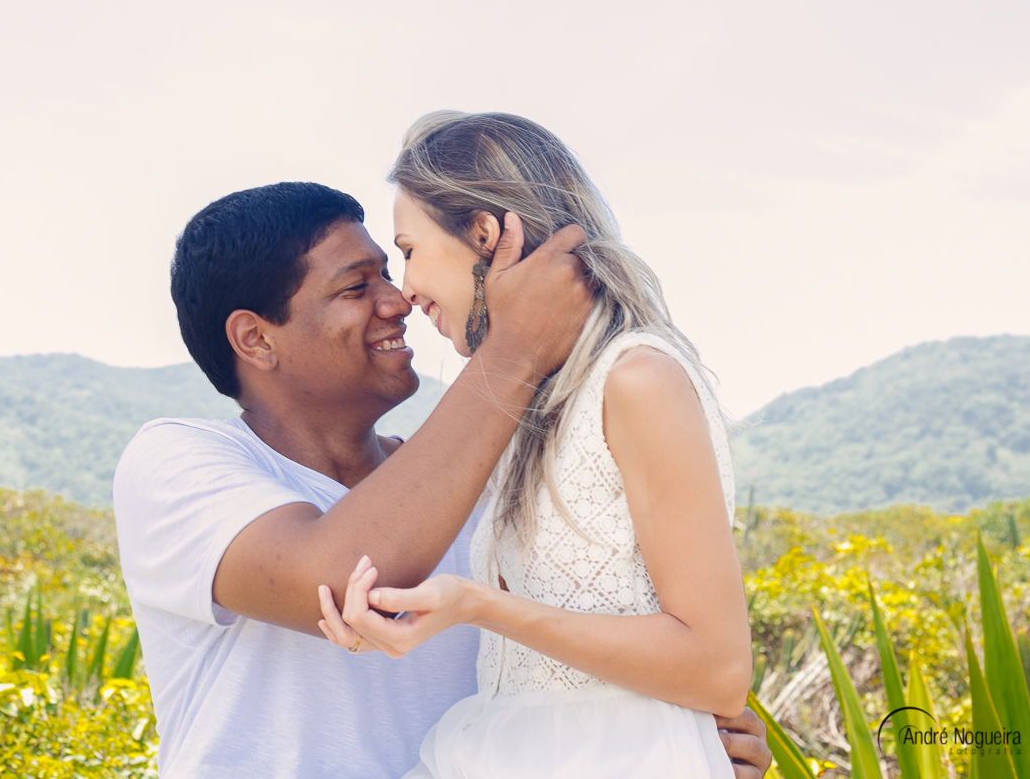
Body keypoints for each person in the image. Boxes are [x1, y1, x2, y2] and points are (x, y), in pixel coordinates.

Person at [113, 181, 771, 778]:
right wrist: (517, 345)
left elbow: (553, 688)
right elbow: (344, 582)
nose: (397, 299)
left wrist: (672, 739)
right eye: (355, 287)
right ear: (255, 339)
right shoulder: (176, 463)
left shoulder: (482, 489)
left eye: (389, 270)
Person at [317, 112, 753, 779]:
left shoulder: (637, 380)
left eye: (408, 251)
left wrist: (477, 606)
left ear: (485, 235)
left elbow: (718, 667)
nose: (405, 292)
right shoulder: (528, 406)